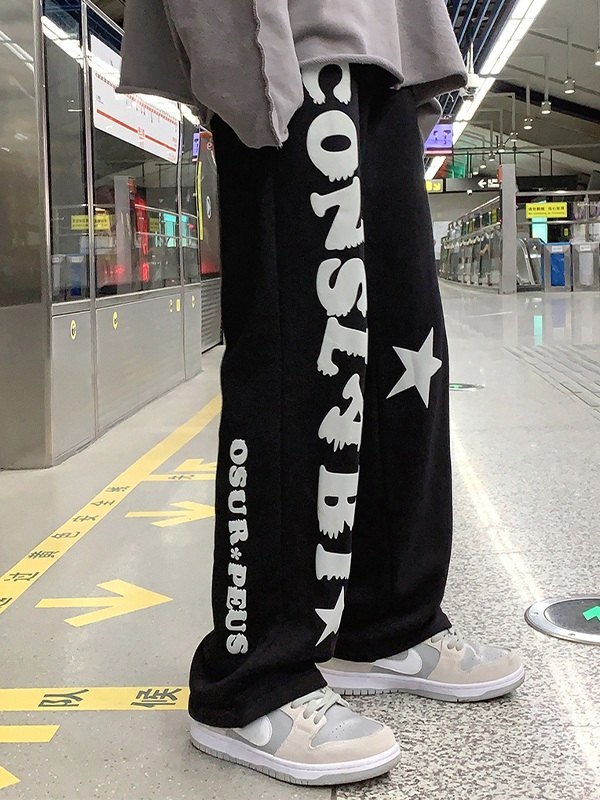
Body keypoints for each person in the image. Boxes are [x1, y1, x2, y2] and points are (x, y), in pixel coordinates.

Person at [119, 0, 525, 786]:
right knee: (302, 357)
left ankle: (385, 620)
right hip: (289, 42)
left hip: (386, 50)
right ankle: (252, 674)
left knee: (408, 353)